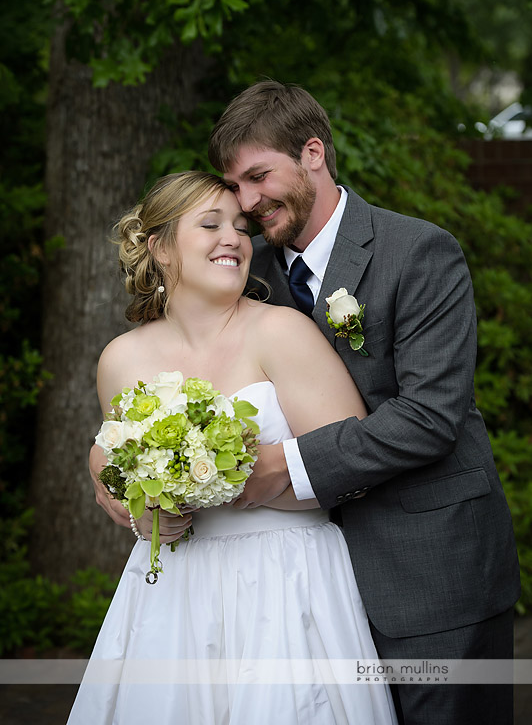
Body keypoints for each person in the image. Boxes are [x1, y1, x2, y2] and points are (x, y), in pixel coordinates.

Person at [205, 80, 521, 725]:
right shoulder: (250, 272)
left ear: (313, 153)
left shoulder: (419, 252)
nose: (246, 201)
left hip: (433, 576)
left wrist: (284, 467)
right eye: (234, 185)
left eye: (259, 176)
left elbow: (430, 417)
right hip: (308, 593)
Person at [76, 171, 398, 724]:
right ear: (159, 247)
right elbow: (123, 472)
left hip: (285, 580)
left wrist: (228, 483)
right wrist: (149, 513)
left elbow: (350, 467)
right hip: (175, 591)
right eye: (210, 224)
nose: (234, 238)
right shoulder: (120, 360)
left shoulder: (282, 332)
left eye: (241, 227)